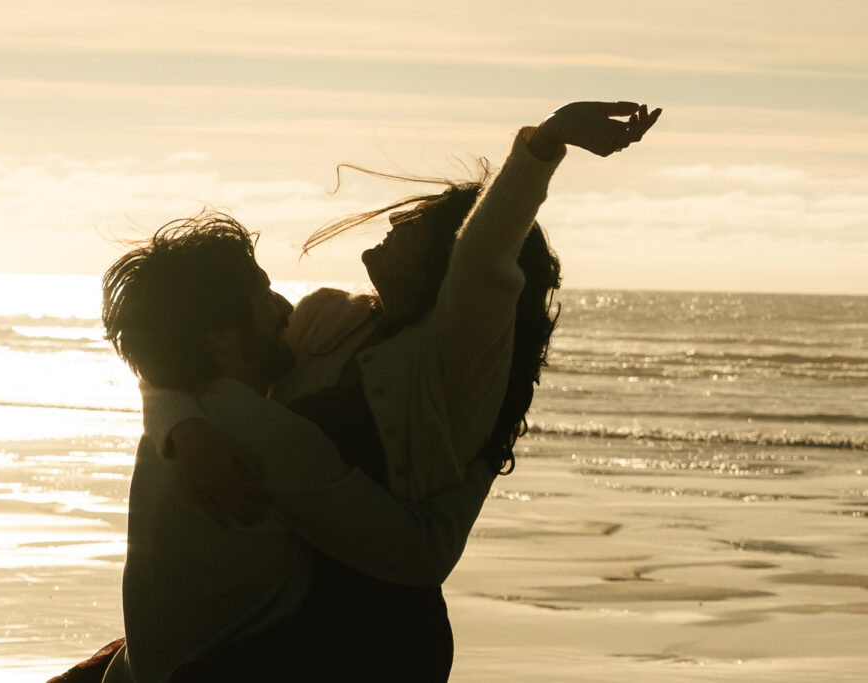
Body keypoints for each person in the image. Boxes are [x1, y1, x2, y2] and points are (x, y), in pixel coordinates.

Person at [132, 101, 661, 681]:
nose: (397, 221)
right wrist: (186, 427)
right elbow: (182, 354)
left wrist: (541, 148)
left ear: (446, 259)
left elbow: (485, 255)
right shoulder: (324, 318)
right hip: (289, 616)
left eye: (422, 224)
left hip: (373, 635)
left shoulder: (448, 365)